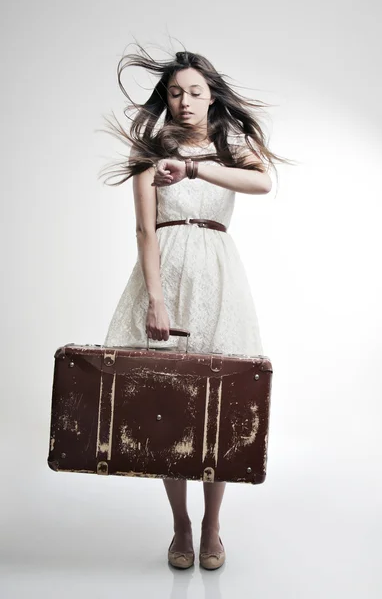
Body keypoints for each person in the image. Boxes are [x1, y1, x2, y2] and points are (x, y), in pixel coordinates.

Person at [99, 43, 291, 570]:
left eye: (195, 92)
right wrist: (155, 300)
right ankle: (181, 524)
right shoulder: (149, 152)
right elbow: (144, 230)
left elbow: (262, 181)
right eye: (176, 92)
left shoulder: (231, 146)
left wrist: (195, 170)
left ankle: (212, 525)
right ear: (168, 97)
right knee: (167, 408)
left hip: (220, 279)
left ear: (210, 97)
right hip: (164, 277)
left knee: (223, 405)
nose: (185, 101)